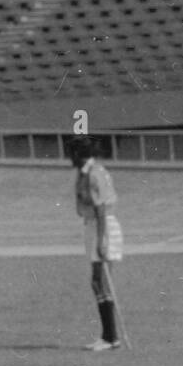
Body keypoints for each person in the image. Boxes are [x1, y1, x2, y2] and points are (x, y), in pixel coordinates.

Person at [67, 135, 124, 351]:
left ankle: (111, 338)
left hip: (103, 226)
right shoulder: (91, 171)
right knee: (97, 282)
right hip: (95, 225)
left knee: (100, 281)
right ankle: (108, 336)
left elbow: (100, 210)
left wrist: (101, 241)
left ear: (79, 155)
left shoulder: (93, 175)